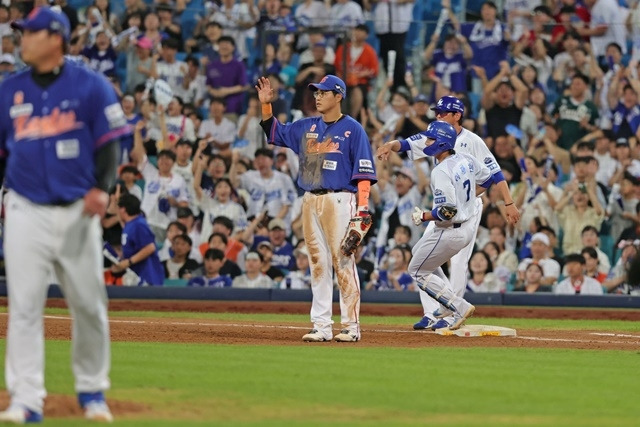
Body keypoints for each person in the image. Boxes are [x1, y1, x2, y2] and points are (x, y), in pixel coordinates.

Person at [0, 6, 129, 423]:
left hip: (77, 212)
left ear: (54, 38)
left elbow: (111, 141)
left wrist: (101, 188)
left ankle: (92, 391)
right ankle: (25, 398)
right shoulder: (8, 90)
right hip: (24, 210)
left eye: (29, 33)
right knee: (23, 307)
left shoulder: (90, 86)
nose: (22, 39)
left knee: (89, 304)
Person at [376, 95, 520, 330]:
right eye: (437, 112)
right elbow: (407, 144)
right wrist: (389, 146)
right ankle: (436, 310)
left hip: (460, 210)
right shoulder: (440, 135)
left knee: (456, 261)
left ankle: (455, 309)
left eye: (443, 112)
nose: (438, 115)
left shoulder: (470, 141)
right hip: (448, 205)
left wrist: (505, 201)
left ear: (457, 115)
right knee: (422, 253)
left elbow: (495, 173)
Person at [255, 74, 377, 342]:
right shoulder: (307, 126)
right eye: (316, 92)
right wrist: (266, 105)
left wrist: (363, 209)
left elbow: (364, 173)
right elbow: (273, 132)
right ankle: (321, 325)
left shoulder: (352, 128)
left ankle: (351, 326)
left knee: (343, 261)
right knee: (317, 263)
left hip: (339, 199)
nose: (317, 96)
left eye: (323, 92)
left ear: (338, 96)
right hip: (310, 199)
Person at [404, 120, 493, 330]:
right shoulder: (466, 158)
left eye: (431, 138)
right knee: (419, 253)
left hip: (450, 230)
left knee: (416, 270)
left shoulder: (440, 171)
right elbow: (488, 179)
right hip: (466, 227)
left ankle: (457, 306)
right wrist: (469, 199)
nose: (427, 141)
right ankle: (447, 305)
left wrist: (424, 216)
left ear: (442, 143)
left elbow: (447, 212)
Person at [115, 194, 165, 286]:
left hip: (147, 277)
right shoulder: (129, 225)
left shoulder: (139, 225)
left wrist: (129, 262)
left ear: (123, 209)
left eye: (118, 208)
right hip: (136, 275)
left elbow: (150, 247)